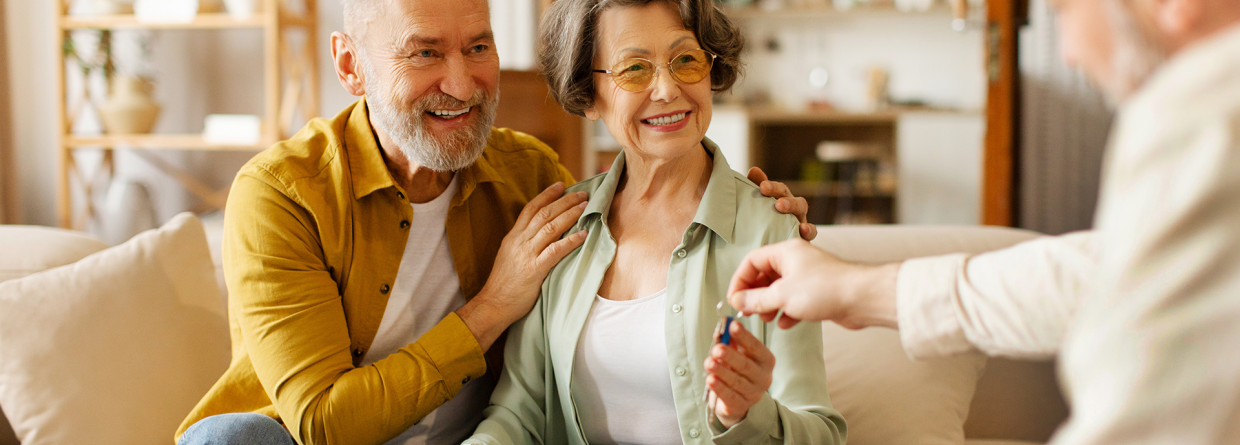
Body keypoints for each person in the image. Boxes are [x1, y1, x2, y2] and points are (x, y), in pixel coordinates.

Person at [172, 0, 815, 444]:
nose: (462, 81)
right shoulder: (283, 194)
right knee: (232, 438)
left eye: (477, 46)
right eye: (424, 53)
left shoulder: (531, 179)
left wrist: (749, 205)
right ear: (350, 66)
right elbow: (322, 426)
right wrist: (492, 306)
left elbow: (655, 189)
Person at [727, 0, 1240, 443]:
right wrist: (856, 289)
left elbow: (1148, 422)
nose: (1069, 53)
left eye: (1065, 10)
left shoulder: (1202, 111)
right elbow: (1110, 276)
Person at [465, 1, 846, 444]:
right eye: (634, 69)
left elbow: (822, 434)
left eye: (686, 60)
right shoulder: (561, 228)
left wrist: (747, 414)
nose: (666, 90)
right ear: (589, 96)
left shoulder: (771, 230)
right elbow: (520, 413)